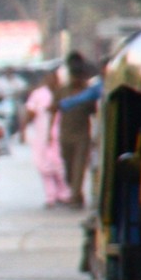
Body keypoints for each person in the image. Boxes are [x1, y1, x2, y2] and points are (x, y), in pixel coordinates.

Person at [22, 70, 69, 207]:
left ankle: (64, 194)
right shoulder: (38, 94)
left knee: (59, 166)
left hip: (61, 135)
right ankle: (50, 196)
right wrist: (23, 130)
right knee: (43, 166)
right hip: (42, 137)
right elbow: (30, 112)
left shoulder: (63, 93)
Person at [56, 52, 98, 209]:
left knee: (79, 167)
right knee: (69, 169)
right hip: (65, 135)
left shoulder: (89, 92)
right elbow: (54, 109)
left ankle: (74, 196)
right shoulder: (63, 91)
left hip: (82, 136)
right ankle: (76, 194)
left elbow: (96, 112)